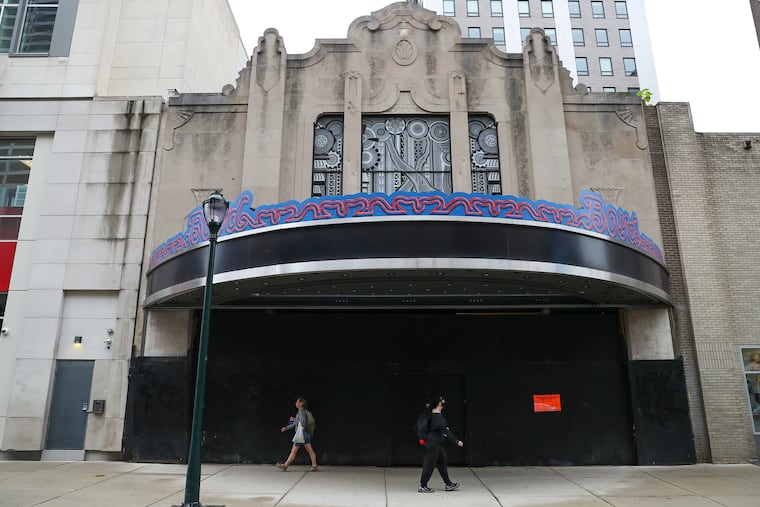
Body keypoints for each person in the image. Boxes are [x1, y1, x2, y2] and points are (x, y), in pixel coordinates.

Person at [418, 395, 463, 493]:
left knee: (442, 462)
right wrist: (456, 441)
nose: (443, 403)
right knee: (429, 464)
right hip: (433, 444)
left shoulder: (432, 415)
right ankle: (423, 486)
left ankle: (448, 484)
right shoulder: (437, 417)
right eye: (441, 402)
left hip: (435, 444)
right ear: (438, 404)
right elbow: (446, 431)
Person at [276, 397, 318, 472]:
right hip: (307, 434)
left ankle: (285, 466)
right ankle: (314, 466)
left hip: (301, 434)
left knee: (293, 451)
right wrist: (286, 427)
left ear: (301, 403)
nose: (296, 403)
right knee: (310, 450)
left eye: (297, 402)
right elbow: (297, 423)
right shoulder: (303, 411)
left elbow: (302, 422)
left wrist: (294, 419)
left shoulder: (301, 411)